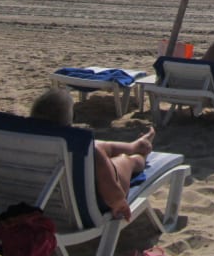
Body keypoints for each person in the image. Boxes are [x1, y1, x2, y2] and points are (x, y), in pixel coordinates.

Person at [30, 88, 154, 221]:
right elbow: (113, 195)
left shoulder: (23, 141)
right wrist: (120, 203)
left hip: (39, 200)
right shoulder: (88, 151)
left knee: (98, 147)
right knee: (125, 160)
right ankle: (140, 154)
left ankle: (134, 146)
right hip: (84, 206)